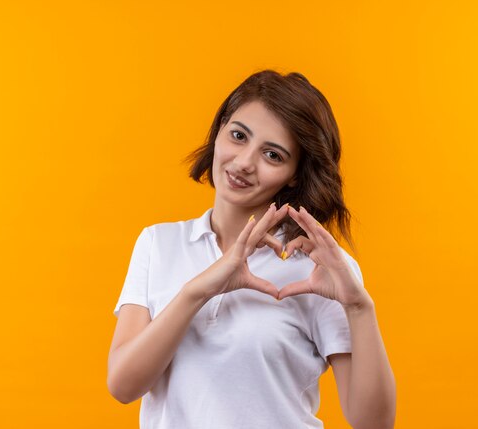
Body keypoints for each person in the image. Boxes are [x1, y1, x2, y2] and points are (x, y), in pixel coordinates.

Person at [107, 70, 396, 429]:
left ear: (294, 173)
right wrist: (198, 290)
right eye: (239, 136)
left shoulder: (320, 268)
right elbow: (123, 385)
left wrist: (358, 306)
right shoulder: (158, 244)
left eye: (273, 155)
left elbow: (374, 424)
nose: (244, 162)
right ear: (220, 130)